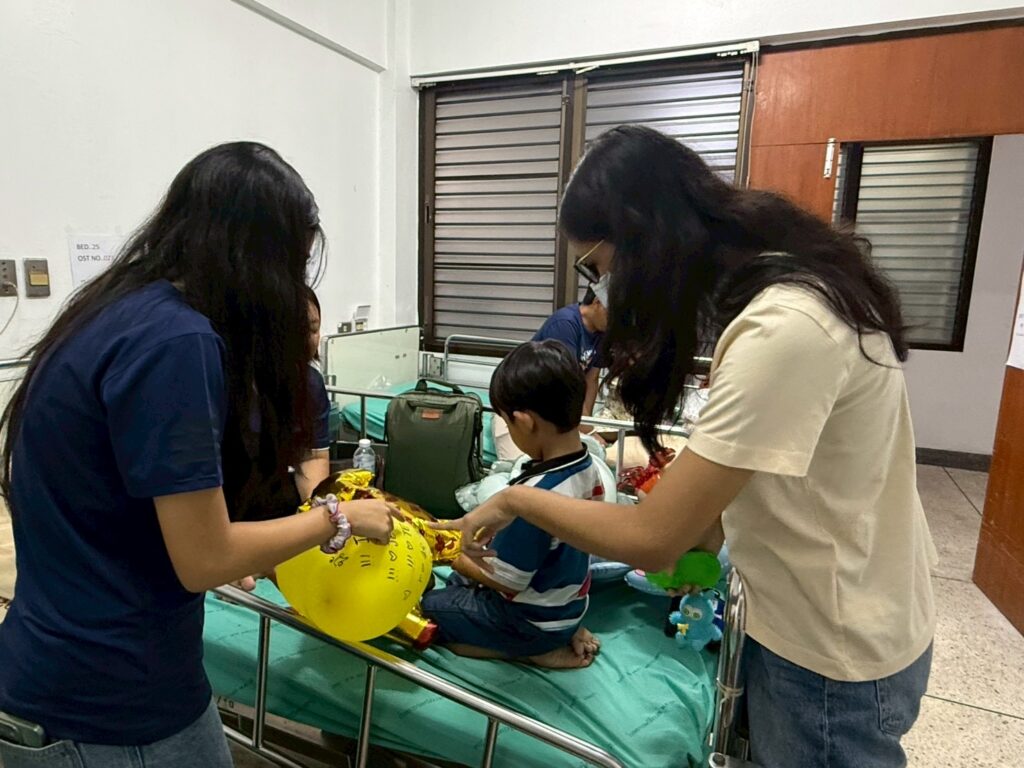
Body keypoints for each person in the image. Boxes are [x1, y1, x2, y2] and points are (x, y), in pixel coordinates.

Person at [435, 126, 936, 768]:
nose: (600, 290)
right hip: (816, 611)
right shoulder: (787, 302)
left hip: (830, 647)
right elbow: (716, 509)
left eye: (598, 269)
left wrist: (515, 501)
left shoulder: (786, 327)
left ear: (645, 241)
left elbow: (654, 538)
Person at [0, 142, 395, 768]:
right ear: (259, 260)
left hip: (60, 670)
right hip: (111, 704)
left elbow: (135, 514)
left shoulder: (116, 310)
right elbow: (204, 559)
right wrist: (337, 519)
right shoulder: (178, 342)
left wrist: (243, 546)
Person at [421, 340, 603, 669]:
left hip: (528, 622)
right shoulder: (588, 468)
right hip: (565, 608)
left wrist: (450, 554)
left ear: (525, 421)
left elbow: (506, 580)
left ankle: (531, 651)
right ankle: (559, 633)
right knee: (460, 582)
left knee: (428, 607)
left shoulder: (536, 500)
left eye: (506, 422)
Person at [493, 290, 608, 459]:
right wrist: (589, 431)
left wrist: (586, 424)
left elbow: (591, 379)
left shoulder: (601, 333)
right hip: (524, 407)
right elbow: (567, 384)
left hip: (550, 416)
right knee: (519, 465)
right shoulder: (565, 324)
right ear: (598, 302)